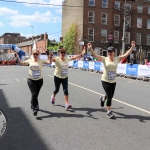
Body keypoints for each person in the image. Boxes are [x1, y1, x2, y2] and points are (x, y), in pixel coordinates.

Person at [88, 41, 135, 119]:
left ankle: (103, 99)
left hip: (113, 81)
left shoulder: (117, 59)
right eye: (108, 52)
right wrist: (90, 48)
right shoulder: (104, 59)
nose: (109, 54)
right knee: (109, 96)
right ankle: (109, 112)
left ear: (114, 52)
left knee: (110, 95)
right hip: (105, 80)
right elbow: (95, 55)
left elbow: (126, 54)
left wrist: (132, 47)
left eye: (111, 52)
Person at [15, 49, 52, 116]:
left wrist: (50, 56)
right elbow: (22, 63)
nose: (35, 55)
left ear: (38, 55)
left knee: (36, 95)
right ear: (32, 54)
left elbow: (49, 62)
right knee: (34, 94)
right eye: (34, 54)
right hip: (31, 80)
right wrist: (17, 56)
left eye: (36, 54)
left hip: (39, 80)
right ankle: (35, 108)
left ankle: (32, 102)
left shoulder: (41, 61)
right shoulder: (30, 60)